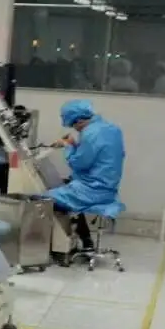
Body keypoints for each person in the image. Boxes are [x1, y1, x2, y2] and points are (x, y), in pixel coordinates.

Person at [46, 100, 125, 256]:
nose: (75, 129)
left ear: (79, 120)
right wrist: (75, 144)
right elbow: (97, 156)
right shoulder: (111, 129)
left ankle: (56, 248)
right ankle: (86, 240)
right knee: (67, 187)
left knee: (43, 199)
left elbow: (79, 164)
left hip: (92, 190)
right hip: (108, 187)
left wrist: (68, 146)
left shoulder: (90, 134)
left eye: (74, 125)